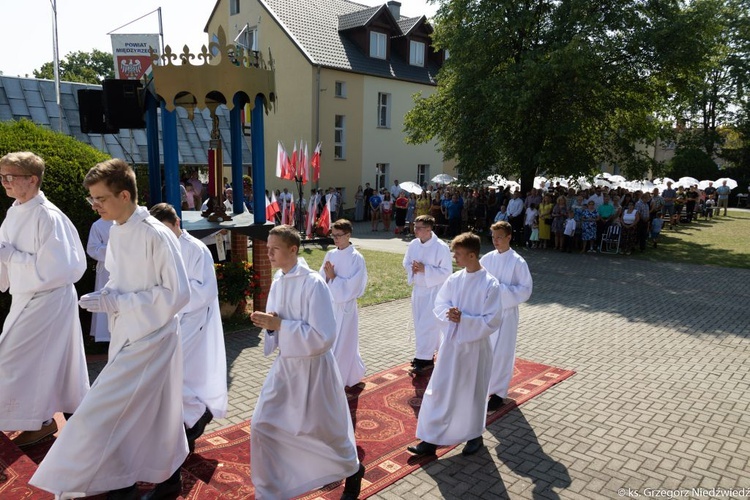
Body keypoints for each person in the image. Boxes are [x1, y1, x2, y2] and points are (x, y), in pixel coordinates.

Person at [30, 158, 191, 499]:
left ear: (124, 195)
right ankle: (162, 478)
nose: (95, 205)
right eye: (92, 199)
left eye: (100, 198)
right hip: (128, 333)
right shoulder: (118, 230)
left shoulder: (156, 235)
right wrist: (107, 295)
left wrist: (121, 303)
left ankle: (91, 478)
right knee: (157, 411)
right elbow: (123, 279)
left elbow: (177, 294)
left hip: (153, 337)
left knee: (100, 410)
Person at [250, 225, 364, 500]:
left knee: (325, 432)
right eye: (267, 248)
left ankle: (352, 469)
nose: (268, 254)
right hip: (287, 366)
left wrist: (280, 325)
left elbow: (324, 336)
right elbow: (278, 323)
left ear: (293, 249)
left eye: (274, 249)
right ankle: (270, 489)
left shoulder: (313, 283)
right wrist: (270, 326)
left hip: (314, 369)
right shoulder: (279, 279)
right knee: (262, 424)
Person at [0, 152, 89, 447]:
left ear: (33, 179)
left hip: (48, 298)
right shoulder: (16, 210)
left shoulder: (48, 216)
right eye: (2, 176)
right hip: (26, 297)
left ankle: (40, 421)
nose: (4, 182)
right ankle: (40, 420)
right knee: (34, 361)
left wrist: (9, 256)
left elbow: (60, 268)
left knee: (14, 359)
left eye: (10, 177)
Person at [407, 232, 502, 457]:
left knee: (471, 392)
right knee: (439, 390)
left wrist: (465, 320)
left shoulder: (490, 284)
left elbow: (493, 320)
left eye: (458, 254)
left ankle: (473, 435)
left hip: (475, 349)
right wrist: (448, 315)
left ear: (472, 255)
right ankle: (430, 439)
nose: (454, 258)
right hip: (451, 345)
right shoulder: (455, 279)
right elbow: (440, 303)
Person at [149, 203, 228, 452]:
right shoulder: (160, 247)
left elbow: (204, 290)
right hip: (170, 319)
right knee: (171, 371)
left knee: (172, 369)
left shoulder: (196, 249)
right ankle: (187, 422)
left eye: (165, 229)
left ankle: (196, 414)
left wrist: (170, 296)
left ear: (177, 224)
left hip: (194, 319)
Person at [480, 221, 533, 410]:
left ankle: (498, 392)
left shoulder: (518, 262)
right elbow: (477, 279)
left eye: (499, 237)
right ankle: (483, 386)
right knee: (485, 350)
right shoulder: (486, 258)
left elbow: (525, 290)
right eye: (493, 237)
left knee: (503, 352)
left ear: (509, 237)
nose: (495, 241)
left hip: (506, 313)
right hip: (486, 312)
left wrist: (499, 291)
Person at [319, 219, 368, 387]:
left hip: (346, 307)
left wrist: (333, 278)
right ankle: (349, 374)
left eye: (338, 235)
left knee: (344, 342)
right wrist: (327, 277)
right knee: (333, 341)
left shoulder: (356, 258)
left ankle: (339, 378)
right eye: (333, 235)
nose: (335, 239)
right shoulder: (331, 254)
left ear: (348, 235)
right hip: (331, 305)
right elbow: (321, 277)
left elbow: (354, 286)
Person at [402, 215, 453, 373]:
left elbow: (447, 272)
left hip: (434, 291)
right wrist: (413, 268)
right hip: (418, 289)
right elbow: (406, 262)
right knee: (419, 324)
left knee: (428, 325)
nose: (415, 230)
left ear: (429, 229)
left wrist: (426, 270)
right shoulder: (413, 244)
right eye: (414, 226)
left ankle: (425, 359)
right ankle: (423, 354)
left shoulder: (440, 247)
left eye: (419, 228)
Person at [87, 216, 114, 342]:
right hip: (106, 269)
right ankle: (104, 334)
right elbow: (92, 248)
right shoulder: (98, 225)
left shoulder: (126, 221)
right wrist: (113, 249)